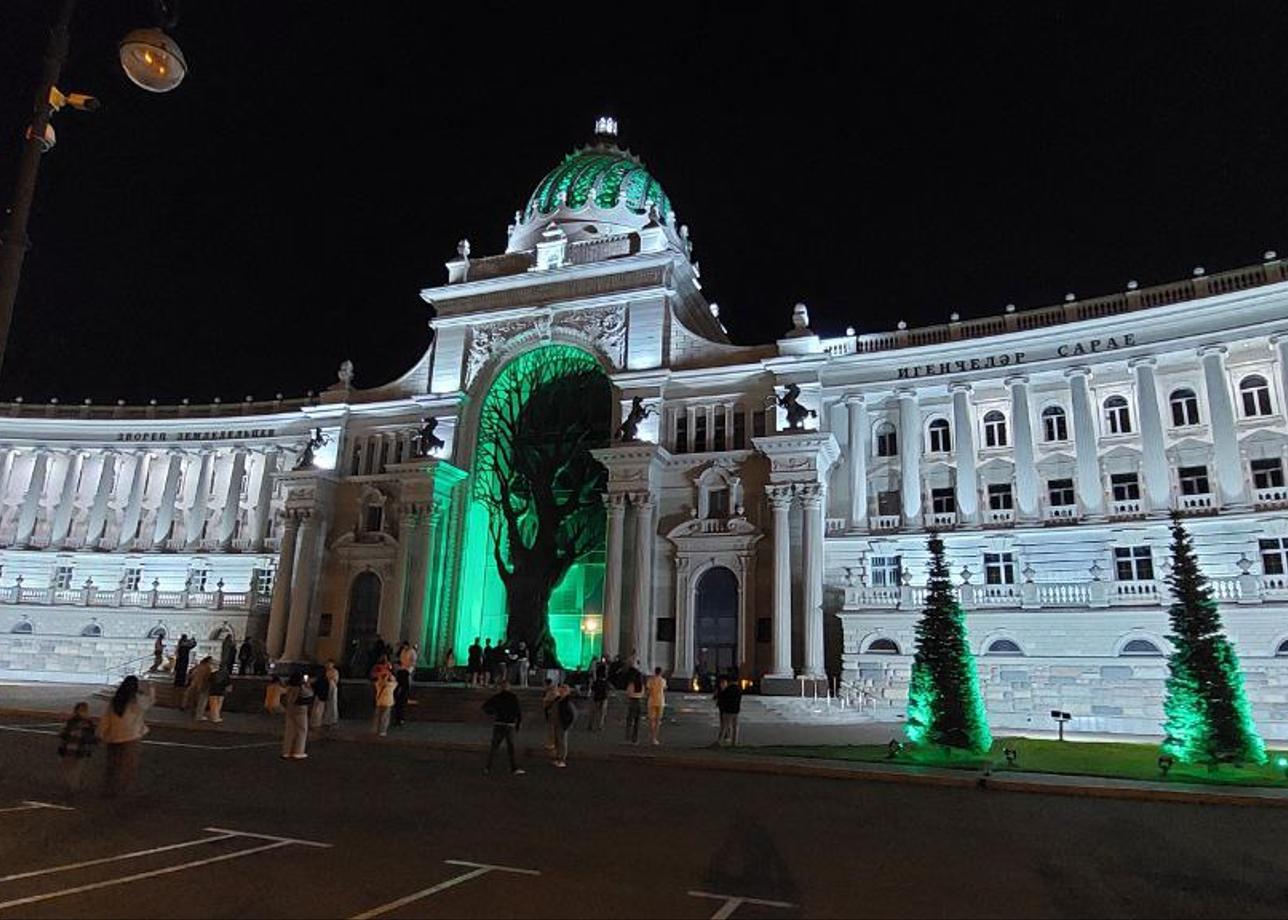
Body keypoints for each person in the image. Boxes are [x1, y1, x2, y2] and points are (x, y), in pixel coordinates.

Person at [98, 676, 153, 795]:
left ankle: (109, 787)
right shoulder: (137, 700)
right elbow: (150, 702)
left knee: (113, 764)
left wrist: (101, 733)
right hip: (131, 737)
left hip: (113, 736)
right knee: (128, 766)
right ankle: (123, 789)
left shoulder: (116, 700)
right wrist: (149, 689)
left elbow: (106, 718)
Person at [482, 678, 525, 776]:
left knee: (494, 746)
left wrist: (493, 713)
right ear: (508, 687)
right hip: (509, 724)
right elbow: (518, 711)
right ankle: (513, 767)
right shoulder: (513, 697)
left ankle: (488, 767)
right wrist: (518, 723)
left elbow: (485, 707)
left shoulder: (497, 697)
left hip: (499, 723)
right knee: (511, 747)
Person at [57, 701, 97, 791]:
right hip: (77, 749)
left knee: (71, 768)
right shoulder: (88, 723)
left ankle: (72, 785)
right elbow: (92, 738)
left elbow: (62, 734)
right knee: (74, 769)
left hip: (72, 749)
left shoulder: (71, 722)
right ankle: (73, 785)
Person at [281, 672, 312, 759]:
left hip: (290, 709)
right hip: (300, 710)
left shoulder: (289, 688)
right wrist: (307, 685)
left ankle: (286, 751)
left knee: (289, 731)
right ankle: (298, 751)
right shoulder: (301, 688)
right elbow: (310, 694)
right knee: (301, 730)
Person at [553, 683, 577, 768]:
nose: (560, 691)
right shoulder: (559, 700)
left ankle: (562, 759)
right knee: (557, 741)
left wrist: (567, 725)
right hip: (557, 723)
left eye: (562, 690)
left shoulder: (567, 702)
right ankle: (558, 758)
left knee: (562, 742)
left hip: (562, 724)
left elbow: (573, 715)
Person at [185, 656, 215, 721]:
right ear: (208, 661)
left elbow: (191, 674)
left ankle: (193, 712)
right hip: (203, 686)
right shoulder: (208, 668)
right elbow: (207, 677)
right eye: (211, 660)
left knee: (194, 700)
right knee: (202, 702)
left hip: (194, 684)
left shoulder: (198, 666)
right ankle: (199, 716)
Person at [715, 676, 742, 746]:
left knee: (724, 726)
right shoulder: (739, 689)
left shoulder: (727, 690)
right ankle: (734, 742)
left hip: (727, 710)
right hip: (736, 710)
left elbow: (722, 698)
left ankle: (719, 741)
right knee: (735, 727)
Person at [394, 641, 415, 726]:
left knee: (403, 693)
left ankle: (405, 696)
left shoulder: (411, 652)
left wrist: (409, 669)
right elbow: (400, 659)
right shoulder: (402, 651)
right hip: (402, 670)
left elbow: (413, 661)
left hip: (406, 671)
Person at [645, 666, 667, 745]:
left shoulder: (650, 680)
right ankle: (655, 737)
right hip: (660, 701)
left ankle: (652, 736)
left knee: (651, 720)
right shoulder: (663, 681)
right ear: (661, 672)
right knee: (658, 720)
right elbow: (664, 688)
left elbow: (648, 690)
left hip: (651, 701)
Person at [623, 666, 645, 744]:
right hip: (639, 702)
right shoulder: (641, 685)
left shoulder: (631, 684)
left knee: (629, 720)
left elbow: (628, 693)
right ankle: (635, 739)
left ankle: (627, 738)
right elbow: (643, 694)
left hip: (632, 701)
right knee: (637, 722)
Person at [372, 670, 396, 737]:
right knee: (385, 717)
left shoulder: (378, 684)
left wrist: (382, 676)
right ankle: (382, 731)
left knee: (377, 717)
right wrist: (389, 676)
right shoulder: (391, 686)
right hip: (388, 703)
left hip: (379, 702)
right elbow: (395, 682)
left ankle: (375, 729)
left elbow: (378, 681)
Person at [589, 665, 609, 732]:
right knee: (602, 712)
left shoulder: (597, 681)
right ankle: (600, 725)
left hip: (597, 696)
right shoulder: (605, 681)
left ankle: (591, 724)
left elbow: (593, 689)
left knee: (594, 711)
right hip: (604, 696)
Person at [541, 679, 559, 751]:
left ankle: (552, 744)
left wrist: (545, 703)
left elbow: (548, 701)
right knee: (551, 728)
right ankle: (552, 743)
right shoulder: (550, 690)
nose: (544, 686)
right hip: (550, 711)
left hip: (551, 712)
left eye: (544, 684)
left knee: (552, 728)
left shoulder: (552, 691)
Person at [322, 659, 341, 727]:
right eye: (327, 664)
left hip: (332, 687)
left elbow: (335, 680)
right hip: (326, 688)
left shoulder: (335, 671)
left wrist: (331, 680)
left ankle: (333, 719)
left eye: (330, 664)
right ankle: (326, 719)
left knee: (332, 703)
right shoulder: (326, 671)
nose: (328, 665)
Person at [309, 665, 329, 730]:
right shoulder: (324, 680)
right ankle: (316, 724)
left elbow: (315, 687)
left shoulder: (321, 680)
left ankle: (315, 724)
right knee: (318, 711)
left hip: (320, 697)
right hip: (321, 697)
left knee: (317, 711)